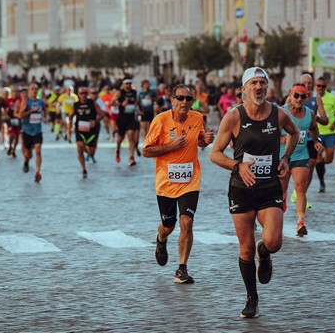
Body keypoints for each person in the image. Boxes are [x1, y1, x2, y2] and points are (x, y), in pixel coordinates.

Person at [209, 67, 300, 318]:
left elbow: (295, 133)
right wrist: (237, 165)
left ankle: (266, 253)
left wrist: (286, 158)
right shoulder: (233, 117)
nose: (259, 87)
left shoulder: (278, 115)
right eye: (254, 83)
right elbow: (214, 153)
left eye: (263, 83)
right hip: (242, 189)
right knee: (245, 248)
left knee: (273, 241)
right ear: (244, 89)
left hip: (269, 186)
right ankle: (251, 297)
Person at [144, 84, 214, 284]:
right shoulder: (160, 120)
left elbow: (198, 141)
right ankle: (161, 239)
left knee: (187, 222)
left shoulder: (197, 117)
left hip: (190, 181)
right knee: (169, 226)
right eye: (180, 98)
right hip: (166, 182)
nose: (184, 102)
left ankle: (182, 269)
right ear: (172, 99)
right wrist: (171, 146)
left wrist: (205, 140)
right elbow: (146, 151)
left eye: (188, 99)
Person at [279, 84, 323, 236]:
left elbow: (313, 128)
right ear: (290, 96)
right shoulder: (281, 112)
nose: (299, 99)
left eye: (302, 96)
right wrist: (282, 138)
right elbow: (269, 131)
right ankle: (280, 208)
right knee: (281, 190)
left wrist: (317, 141)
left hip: (301, 155)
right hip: (282, 157)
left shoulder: (309, 113)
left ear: (307, 97)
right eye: (296, 95)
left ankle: (301, 223)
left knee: (300, 188)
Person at [69, 87, 105, 177]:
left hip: (91, 130)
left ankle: (89, 153)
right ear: (78, 94)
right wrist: (70, 125)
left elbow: (102, 114)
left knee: (91, 152)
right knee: (80, 147)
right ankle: (84, 169)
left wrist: (95, 121)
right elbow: (70, 116)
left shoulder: (93, 103)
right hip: (80, 129)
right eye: (81, 93)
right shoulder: (76, 104)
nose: (83, 95)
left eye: (85, 93)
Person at [314, 77, 335, 192]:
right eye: (318, 86)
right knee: (319, 158)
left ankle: (320, 166)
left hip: (330, 132)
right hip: (317, 132)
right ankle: (321, 182)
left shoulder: (332, 98)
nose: (320, 88)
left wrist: (334, 123)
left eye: (323, 86)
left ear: (326, 87)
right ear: (315, 86)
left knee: (329, 158)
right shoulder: (311, 98)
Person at [18, 83, 46, 183]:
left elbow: (44, 112)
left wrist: (44, 117)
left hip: (38, 130)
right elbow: (20, 115)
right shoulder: (26, 102)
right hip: (27, 131)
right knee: (28, 154)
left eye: (36, 89)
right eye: (32, 89)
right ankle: (26, 161)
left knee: (38, 150)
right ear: (29, 91)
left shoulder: (40, 101)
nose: (34, 90)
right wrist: (31, 111)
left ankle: (38, 172)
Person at [113, 78, 139, 165]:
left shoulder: (134, 92)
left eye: (130, 83)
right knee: (120, 138)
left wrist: (137, 108)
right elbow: (111, 103)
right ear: (123, 84)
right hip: (122, 118)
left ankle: (131, 157)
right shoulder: (119, 92)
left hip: (131, 117)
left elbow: (136, 102)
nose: (128, 85)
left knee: (131, 136)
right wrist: (120, 104)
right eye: (126, 83)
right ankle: (117, 149)